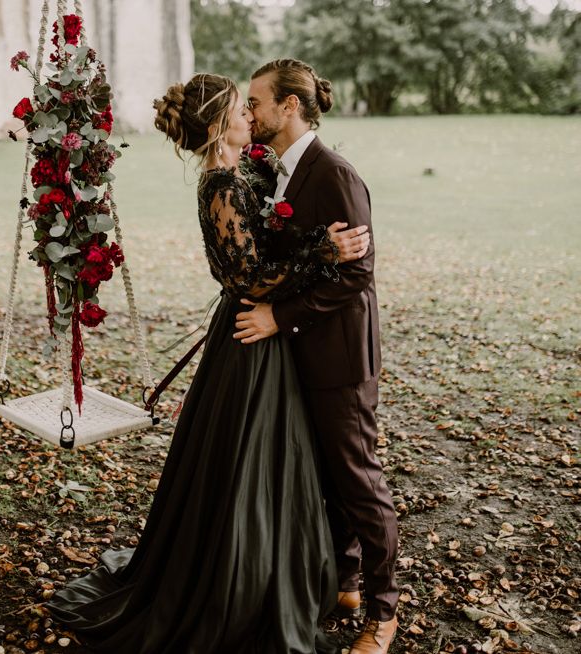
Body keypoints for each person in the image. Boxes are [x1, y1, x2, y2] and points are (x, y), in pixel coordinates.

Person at [44, 72, 371, 653]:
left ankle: (298, 571)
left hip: (270, 333)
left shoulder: (251, 168)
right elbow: (247, 276)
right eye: (242, 108)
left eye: (254, 105)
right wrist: (324, 250)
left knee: (287, 460)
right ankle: (242, 582)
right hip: (249, 338)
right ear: (223, 124)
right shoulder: (219, 186)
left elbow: (281, 221)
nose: (252, 113)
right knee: (247, 462)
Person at [235, 59, 399, 654]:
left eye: (256, 102)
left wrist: (279, 316)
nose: (248, 112)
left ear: (289, 107)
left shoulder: (333, 174)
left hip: (340, 358)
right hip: (299, 357)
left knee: (358, 482)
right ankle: (347, 581)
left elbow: (356, 277)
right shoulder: (275, 172)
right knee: (326, 477)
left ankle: (383, 613)